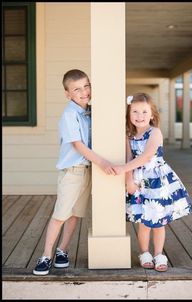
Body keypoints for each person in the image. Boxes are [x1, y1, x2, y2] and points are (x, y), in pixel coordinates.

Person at [33, 69, 117, 275]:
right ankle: (45, 254)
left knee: (75, 214)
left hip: (87, 171)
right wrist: (103, 162)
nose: (84, 92)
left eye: (86, 86)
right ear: (67, 93)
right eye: (77, 89)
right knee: (61, 214)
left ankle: (63, 250)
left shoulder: (89, 111)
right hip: (72, 172)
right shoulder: (70, 114)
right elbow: (78, 145)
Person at [112, 93, 192, 272]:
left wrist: (122, 168)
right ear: (128, 114)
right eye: (134, 111)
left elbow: (146, 157)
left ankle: (158, 253)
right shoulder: (127, 134)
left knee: (159, 222)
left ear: (152, 115)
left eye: (144, 112)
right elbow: (128, 157)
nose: (139, 116)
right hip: (139, 182)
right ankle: (144, 252)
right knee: (144, 222)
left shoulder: (155, 133)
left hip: (157, 181)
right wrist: (129, 181)